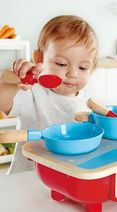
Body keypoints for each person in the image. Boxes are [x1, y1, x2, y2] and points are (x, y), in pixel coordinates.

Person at [0, 15, 98, 174]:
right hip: (27, 179)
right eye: (61, 64)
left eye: (83, 67)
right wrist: (17, 80)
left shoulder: (88, 103)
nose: (72, 73)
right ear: (39, 58)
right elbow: (2, 101)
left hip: (65, 178)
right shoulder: (32, 92)